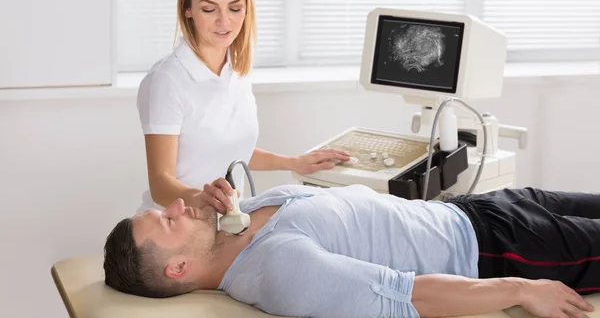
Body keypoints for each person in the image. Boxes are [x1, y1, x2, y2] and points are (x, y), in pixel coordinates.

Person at [103, 183, 599, 318]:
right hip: (504, 249)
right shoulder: (280, 272)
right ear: (179, 268)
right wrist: (521, 288)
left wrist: (230, 206)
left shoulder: (234, 224)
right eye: (167, 220)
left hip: (480, 208)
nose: (176, 205)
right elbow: (405, 297)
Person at [135, 0, 349, 214]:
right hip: (176, 228)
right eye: (209, 9)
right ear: (187, 8)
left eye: (235, 8)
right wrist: (204, 198)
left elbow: (229, 148)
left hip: (225, 226)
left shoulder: (236, 70)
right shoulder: (166, 81)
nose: (224, 21)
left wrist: (294, 163)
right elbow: (160, 183)